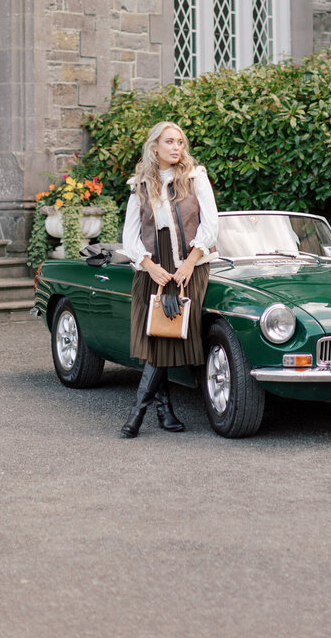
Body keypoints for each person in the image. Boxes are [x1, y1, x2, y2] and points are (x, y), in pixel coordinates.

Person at [118, 121, 218, 438]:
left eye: (180, 142)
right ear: (155, 147)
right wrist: (149, 266)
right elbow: (130, 237)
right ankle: (163, 411)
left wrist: (189, 264)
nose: (176, 147)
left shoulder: (195, 178)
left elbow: (211, 225)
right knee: (156, 338)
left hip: (189, 266)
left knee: (165, 338)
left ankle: (137, 414)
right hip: (153, 268)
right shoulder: (140, 185)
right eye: (169, 142)